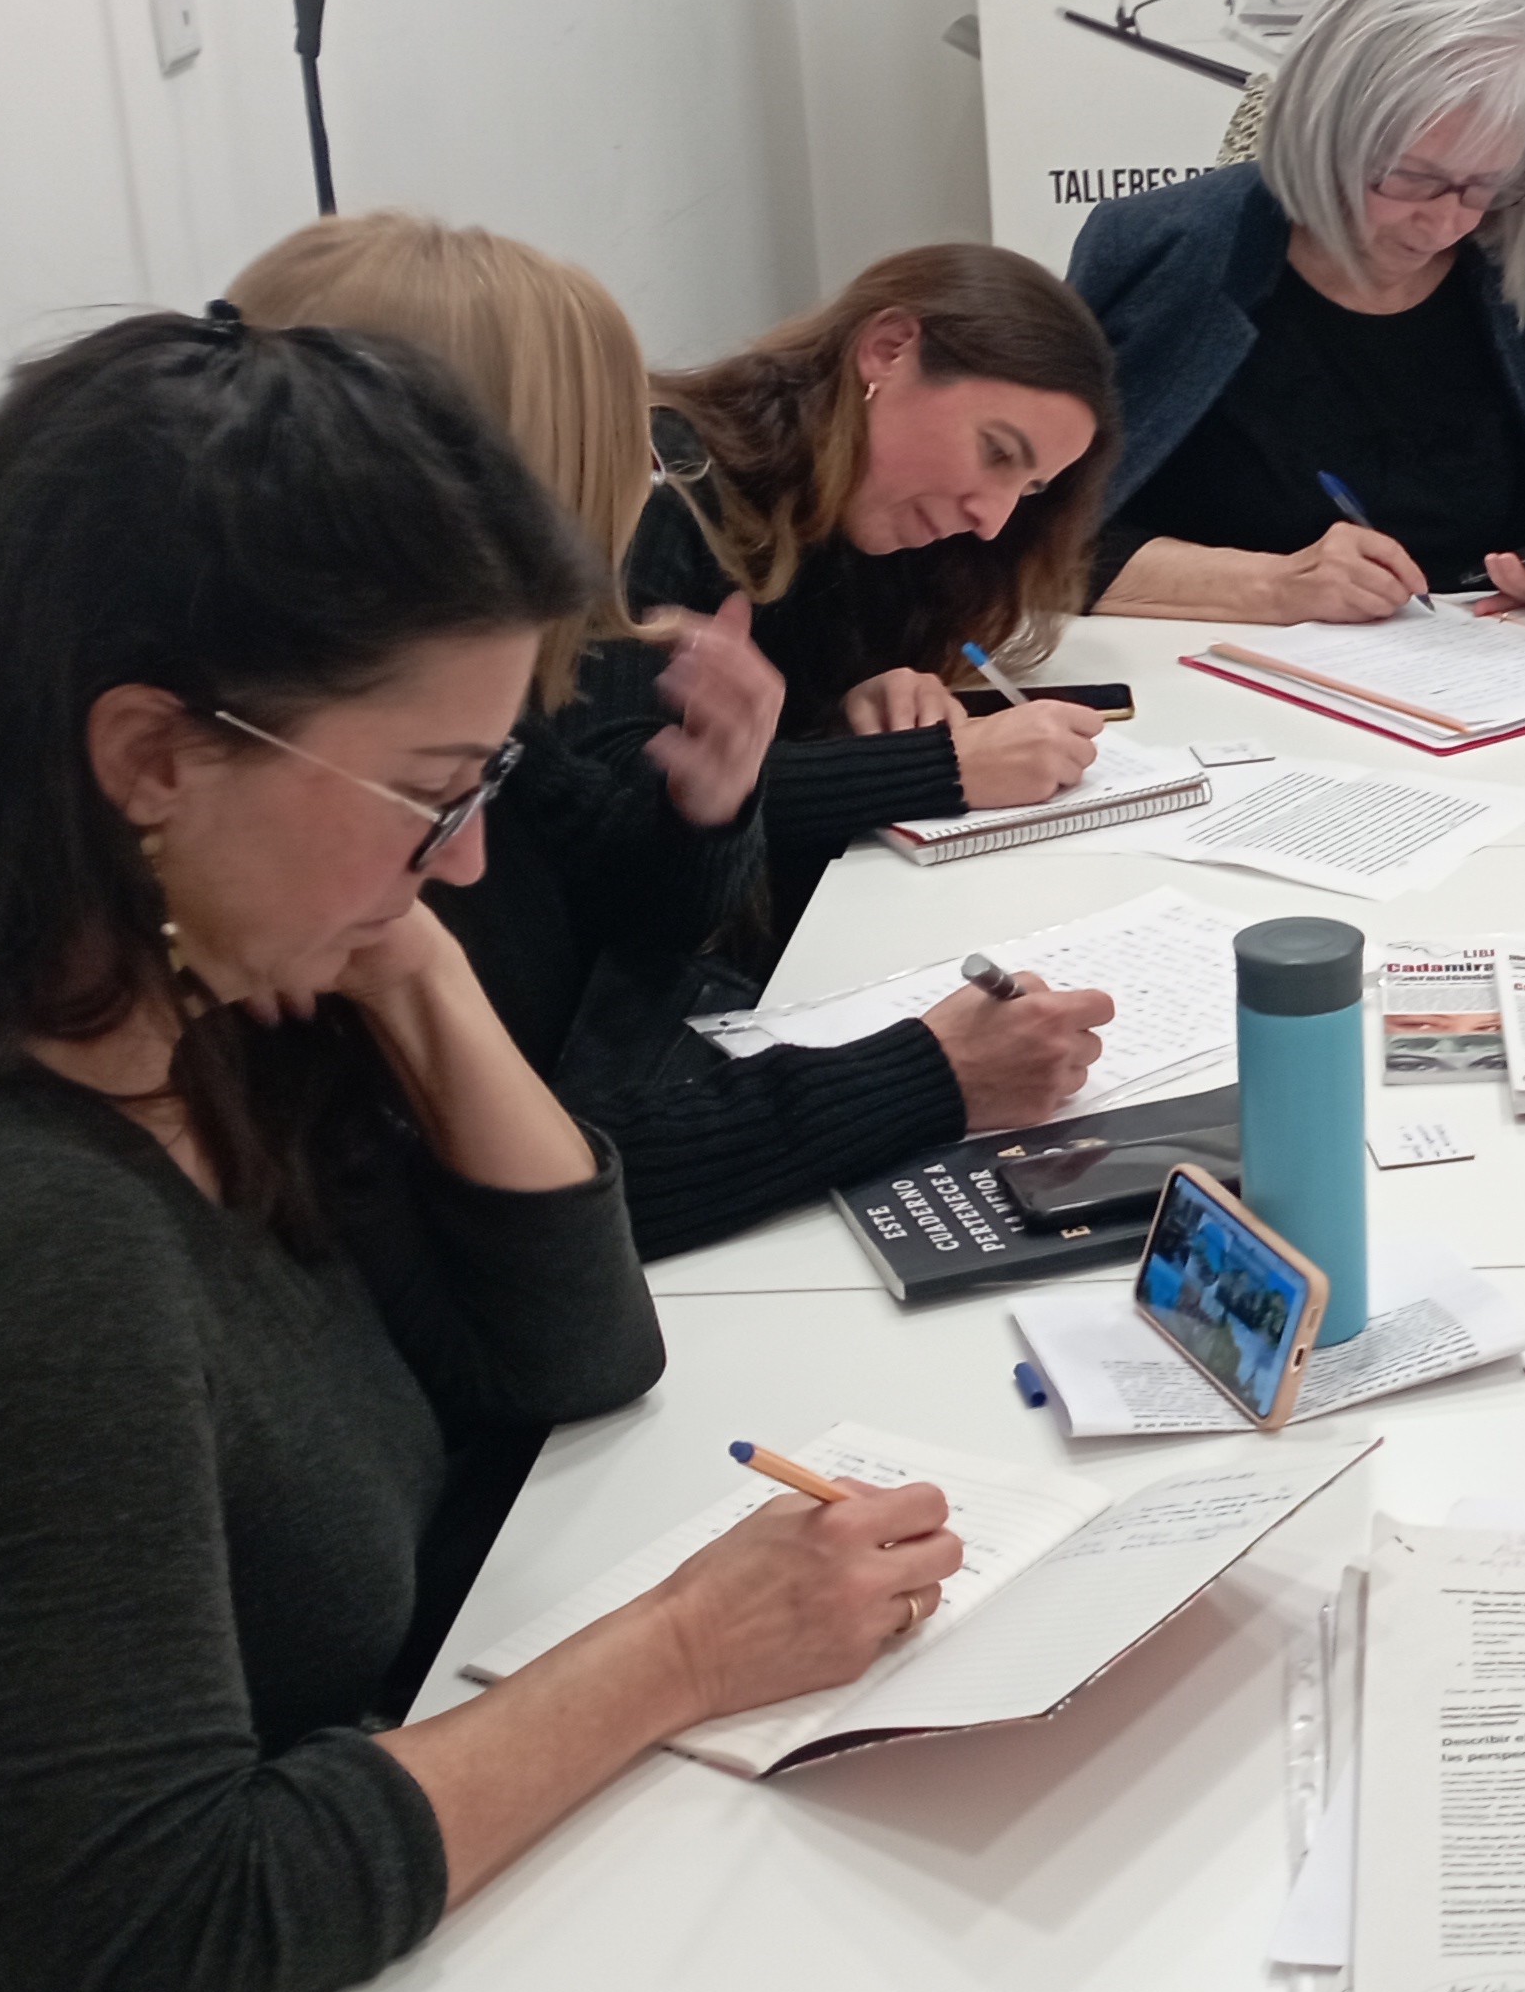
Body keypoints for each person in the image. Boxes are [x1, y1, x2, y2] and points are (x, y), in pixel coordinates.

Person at [0, 315, 966, 1992]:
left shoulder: (205, 1013)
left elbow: (577, 1350)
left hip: (282, 1896)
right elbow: (165, 1942)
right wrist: (686, 1644)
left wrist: (413, 965)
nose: (468, 856)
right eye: (432, 789)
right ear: (152, 757)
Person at [232, 217, 1109, 1257]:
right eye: (609, 469)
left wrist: (724, 797)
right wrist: (929, 1072)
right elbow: (526, 1206)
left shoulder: (402, 749)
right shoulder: (319, 834)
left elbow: (637, 911)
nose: (994, 517)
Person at [1072, 0, 1525, 622]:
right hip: (1213, 666)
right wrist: (1274, 584)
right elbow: (1038, 545)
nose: (1446, 223)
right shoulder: (1159, 253)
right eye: (1412, 178)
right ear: (1323, 129)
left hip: (1489, 663)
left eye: (1485, 186)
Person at [627, 243, 1127, 950]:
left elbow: (751, 763)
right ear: (887, 351)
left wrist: (841, 722)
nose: (993, 519)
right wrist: (939, 769)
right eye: (996, 452)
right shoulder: (665, 487)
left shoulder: (872, 537)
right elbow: (624, 810)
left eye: (1029, 487)